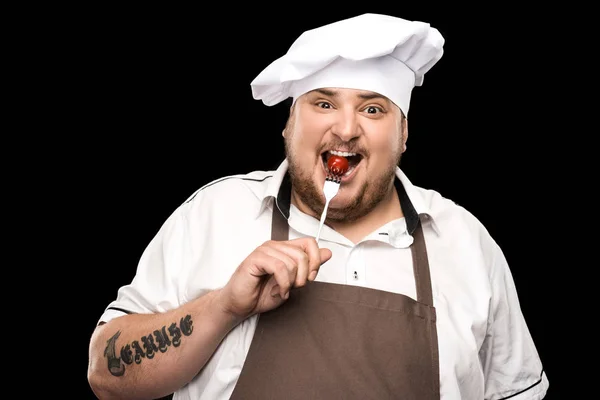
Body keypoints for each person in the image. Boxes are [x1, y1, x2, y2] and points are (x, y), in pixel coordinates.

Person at [87, 13, 549, 400]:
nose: (346, 130)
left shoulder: (465, 241)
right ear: (289, 124)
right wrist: (224, 307)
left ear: (404, 134)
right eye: (324, 103)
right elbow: (106, 375)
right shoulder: (215, 213)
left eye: (373, 109)